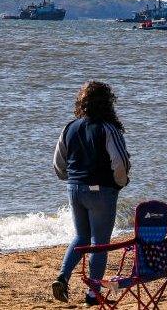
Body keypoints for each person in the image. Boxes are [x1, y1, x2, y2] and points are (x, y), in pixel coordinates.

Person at [51, 81, 131, 305]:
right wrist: (120, 183)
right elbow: (120, 162)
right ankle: (93, 294)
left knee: (81, 236)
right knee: (100, 243)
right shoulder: (108, 128)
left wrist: (72, 179)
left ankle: (63, 276)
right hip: (101, 190)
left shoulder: (70, 127)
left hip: (74, 189)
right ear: (108, 104)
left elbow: (58, 163)